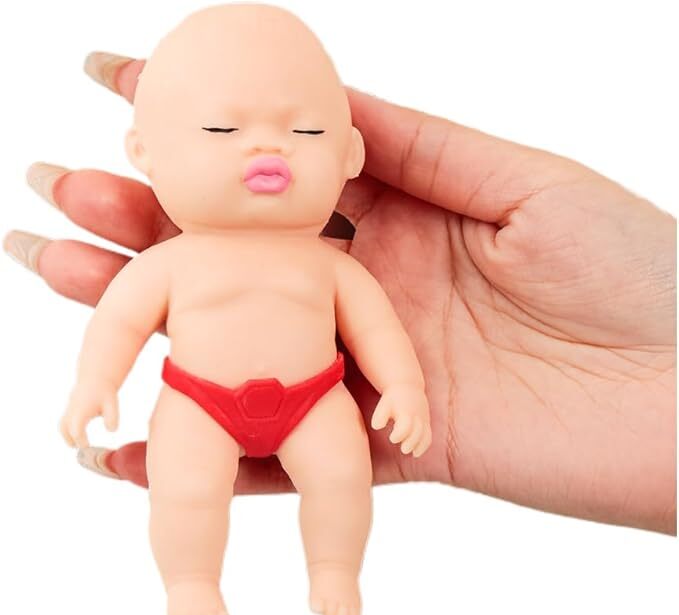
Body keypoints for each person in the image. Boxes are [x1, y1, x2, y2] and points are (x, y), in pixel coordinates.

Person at [4, 47, 676, 540]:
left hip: (318, 400)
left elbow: (377, 330)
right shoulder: (170, 263)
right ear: (146, 154)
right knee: (183, 492)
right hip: (196, 401)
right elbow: (119, 322)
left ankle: (332, 570)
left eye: (303, 132)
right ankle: (191, 585)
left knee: (340, 484)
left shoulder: (329, 267)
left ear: (350, 155)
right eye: (220, 131)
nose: (265, 149)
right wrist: (94, 383)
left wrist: (404, 388)